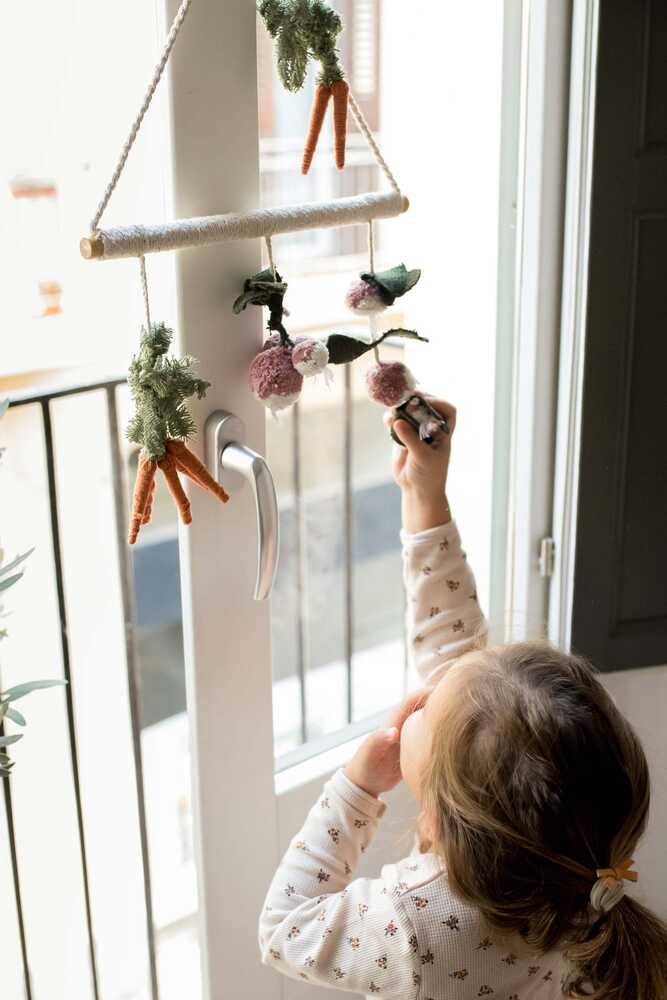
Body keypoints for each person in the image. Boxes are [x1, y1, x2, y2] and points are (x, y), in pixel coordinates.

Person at [259, 398, 667, 998]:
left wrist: (355, 790)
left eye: (431, 708)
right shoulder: (576, 871)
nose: (424, 698)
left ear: (441, 820)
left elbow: (284, 930)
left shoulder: (414, 926)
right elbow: (462, 672)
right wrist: (426, 498)